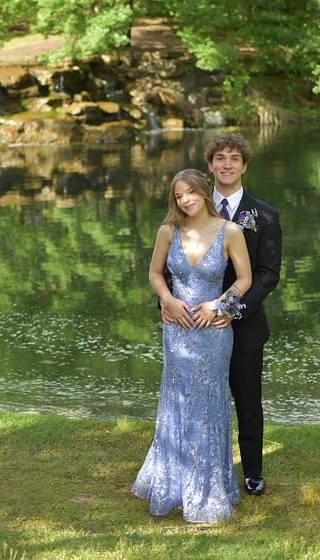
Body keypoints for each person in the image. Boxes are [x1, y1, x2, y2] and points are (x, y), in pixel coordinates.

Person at [132, 169, 252, 523]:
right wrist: (167, 300)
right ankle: (173, 484)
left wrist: (219, 306)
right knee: (178, 402)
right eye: (178, 195)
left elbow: (245, 279)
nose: (185, 200)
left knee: (210, 404)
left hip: (213, 332)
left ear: (204, 192)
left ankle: (209, 487)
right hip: (177, 330)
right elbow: (155, 274)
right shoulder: (167, 231)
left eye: (191, 193)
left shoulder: (230, 231)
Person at [200, 133, 282, 496]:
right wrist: (169, 304)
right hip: (196, 324)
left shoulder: (265, 216)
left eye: (234, 158)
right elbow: (172, 261)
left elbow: (268, 275)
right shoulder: (191, 208)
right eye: (220, 158)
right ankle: (201, 468)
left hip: (245, 327)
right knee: (201, 401)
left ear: (244, 166)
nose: (227, 164)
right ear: (210, 165)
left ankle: (252, 472)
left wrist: (230, 310)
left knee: (247, 402)